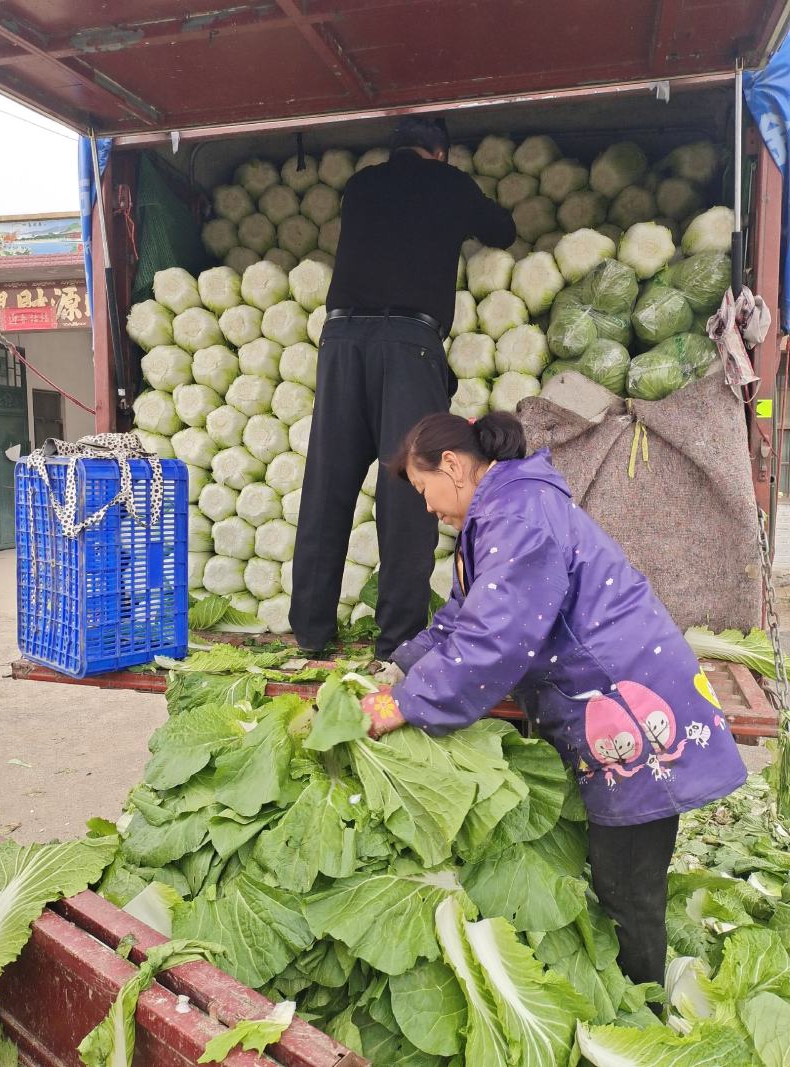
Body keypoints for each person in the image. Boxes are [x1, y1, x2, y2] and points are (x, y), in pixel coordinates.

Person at [360, 410, 748, 988]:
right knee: (617, 871)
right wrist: (396, 670)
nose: (427, 507)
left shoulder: (517, 515)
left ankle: (645, 1015)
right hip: (610, 694)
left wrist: (407, 703)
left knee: (627, 886)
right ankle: (631, 996)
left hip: (632, 703)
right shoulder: (502, 510)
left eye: (423, 490)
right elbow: (465, 619)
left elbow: (497, 638)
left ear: (451, 465)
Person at [290, 117, 516, 659]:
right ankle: (397, 642)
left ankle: (311, 635)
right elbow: (502, 231)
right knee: (409, 490)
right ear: (439, 152)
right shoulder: (449, 183)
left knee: (327, 486)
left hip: (340, 342)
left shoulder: (362, 185)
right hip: (409, 344)